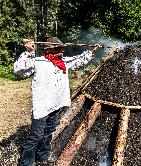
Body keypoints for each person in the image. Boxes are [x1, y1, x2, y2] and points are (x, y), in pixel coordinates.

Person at [14, 37, 101, 166]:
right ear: (51, 49)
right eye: (59, 48)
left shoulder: (63, 62)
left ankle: (42, 157)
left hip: (56, 104)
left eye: (62, 48)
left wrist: (91, 51)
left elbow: (79, 60)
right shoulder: (38, 61)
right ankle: (26, 163)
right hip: (42, 106)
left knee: (48, 132)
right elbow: (19, 71)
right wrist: (29, 52)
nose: (62, 51)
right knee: (36, 136)